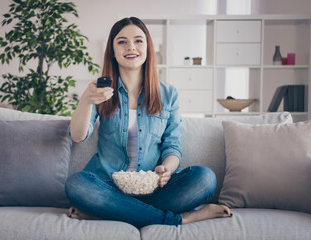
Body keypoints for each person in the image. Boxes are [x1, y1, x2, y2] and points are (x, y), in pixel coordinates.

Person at [65, 17, 232, 228]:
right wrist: (86, 100)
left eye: (138, 40)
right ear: (113, 51)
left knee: (205, 178)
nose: (131, 47)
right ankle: (180, 219)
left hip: (155, 191)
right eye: (122, 42)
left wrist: (167, 169)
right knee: (77, 184)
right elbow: (78, 135)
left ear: (148, 47)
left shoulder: (168, 94)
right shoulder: (100, 92)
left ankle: (112, 213)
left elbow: (173, 145)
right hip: (108, 187)